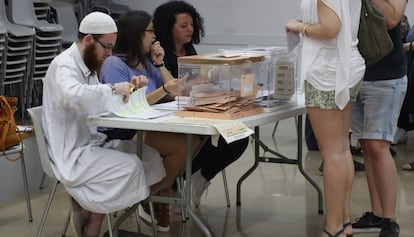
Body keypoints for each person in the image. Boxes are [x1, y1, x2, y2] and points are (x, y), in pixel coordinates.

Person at [41, 12, 165, 237]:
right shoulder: (64, 65)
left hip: (92, 142)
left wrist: (131, 90)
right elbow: (74, 96)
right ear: (89, 39)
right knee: (131, 167)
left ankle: (90, 208)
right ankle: (93, 219)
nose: (109, 54)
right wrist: (112, 89)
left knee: (151, 157)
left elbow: (101, 102)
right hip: (70, 152)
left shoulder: (88, 64)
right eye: (106, 47)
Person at [99, 10, 201, 232]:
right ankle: (151, 195)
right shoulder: (114, 64)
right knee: (182, 145)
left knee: (192, 143)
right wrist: (162, 89)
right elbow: (127, 107)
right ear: (136, 34)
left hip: (150, 124)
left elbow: (175, 94)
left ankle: (152, 192)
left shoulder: (147, 63)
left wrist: (160, 64)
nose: (154, 37)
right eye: (150, 31)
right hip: (123, 131)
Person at [152, 0, 249, 208]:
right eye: (183, 26)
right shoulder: (160, 55)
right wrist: (199, 82)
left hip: (202, 109)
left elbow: (197, 83)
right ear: (168, 27)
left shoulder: (189, 49)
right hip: (175, 117)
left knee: (240, 137)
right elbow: (175, 89)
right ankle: (179, 185)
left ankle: (200, 179)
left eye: (192, 25)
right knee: (208, 141)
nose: (190, 30)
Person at [286, 0, 365, 236]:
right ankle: (344, 222)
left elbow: (330, 28)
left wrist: (299, 26)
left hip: (327, 71)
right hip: (344, 66)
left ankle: (333, 227)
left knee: (332, 153)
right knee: (341, 150)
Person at [350, 0, 408, 236]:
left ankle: (390, 218)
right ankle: (376, 212)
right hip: (355, 73)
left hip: (386, 76)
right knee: (366, 145)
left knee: (378, 145)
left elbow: (392, 18)